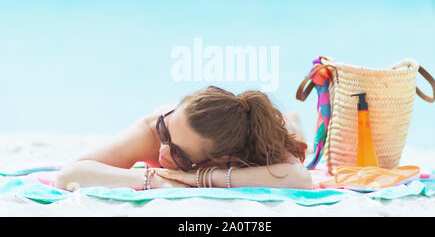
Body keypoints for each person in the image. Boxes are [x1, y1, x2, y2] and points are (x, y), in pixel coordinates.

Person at [55, 86, 312, 191]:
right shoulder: (152, 131)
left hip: (273, 129)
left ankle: (292, 120)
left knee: (293, 136)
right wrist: (154, 179)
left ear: (224, 158)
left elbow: (300, 178)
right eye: (166, 131)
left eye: (178, 154)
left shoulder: (251, 143)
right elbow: (69, 174)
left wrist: (199, 178)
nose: (162, 152)